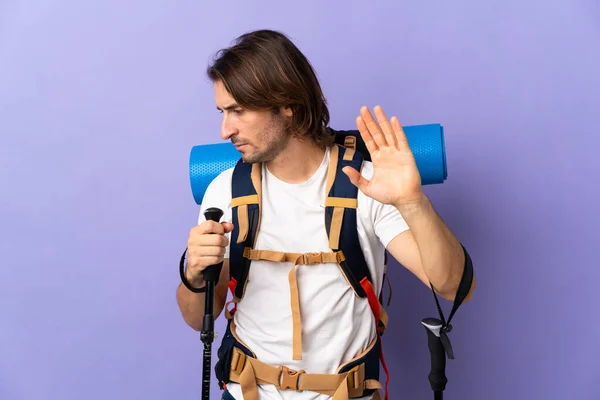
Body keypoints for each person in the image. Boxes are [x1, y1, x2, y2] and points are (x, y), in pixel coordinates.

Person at [176, 29, 476, 400]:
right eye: (223, 112)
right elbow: (196, 318)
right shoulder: (224, 190)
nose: (225, 130)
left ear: (286, 102)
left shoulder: (364, 185)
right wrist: (193, 274)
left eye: (238, 110)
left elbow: (454, 286)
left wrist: (413, 202)